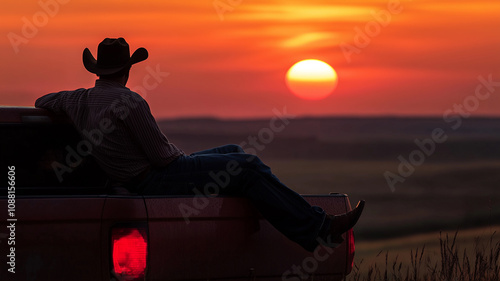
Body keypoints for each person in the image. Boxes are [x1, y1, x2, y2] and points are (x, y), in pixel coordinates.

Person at [35, 38, 365, 252]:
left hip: (139, 175)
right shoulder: (130, 102)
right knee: (246, 165)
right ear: (127, 69)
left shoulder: (76, 99)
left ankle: (309, 225)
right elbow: (162, 158)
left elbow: (42, 100)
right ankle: (319, 227)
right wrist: (186, 161)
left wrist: (72, 104)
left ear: (97, 70)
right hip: (153, 178)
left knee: (233, 152)